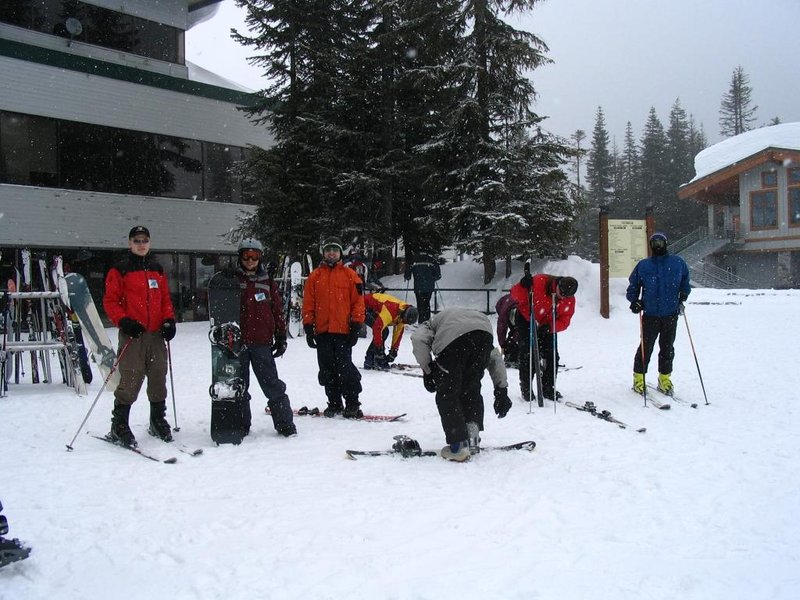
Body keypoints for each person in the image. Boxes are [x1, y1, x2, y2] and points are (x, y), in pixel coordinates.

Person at [103, 226, 176, 447]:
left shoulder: (157, 270)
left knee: (158, 374)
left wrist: (168, 320)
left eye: (144, 240)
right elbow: (110, 301)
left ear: (149, 243)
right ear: (130, 243)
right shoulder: (120, 270)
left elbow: (164, 299)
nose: (141, 244)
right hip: (133, 336)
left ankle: (157, 419)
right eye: (137, 241)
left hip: (155, 335)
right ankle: (119, 424)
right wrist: (123, 321)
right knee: (131, 377)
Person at [411, 307, 512, 462]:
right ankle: (472, 438)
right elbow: (495, 357)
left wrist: (428, 370)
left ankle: (458, 446)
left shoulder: (430, 323)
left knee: (448, 394)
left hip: (453, 342)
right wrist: (501, 390)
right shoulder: (471, 318)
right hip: (483, 335)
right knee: (471, 389)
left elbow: (418, 339)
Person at [235, 238, 297, 437]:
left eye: (255, 256)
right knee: (239, 385)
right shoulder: (233, 280)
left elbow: (277, 309)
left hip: (261, 342)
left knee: (272, 384)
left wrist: (281, 335)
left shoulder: (267, 280)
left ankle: (285, 423)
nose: (251, 260)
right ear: (240, 257)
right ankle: (240, 424)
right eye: (247, 255)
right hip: (238, 342)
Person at [302, 237, 366, 418]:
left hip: (343, 333)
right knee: (327, 369)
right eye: (328, 249)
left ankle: (352, 403)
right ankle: (334, 402)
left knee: (345, 369)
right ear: (323, 253)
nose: (332, 253)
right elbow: (308, 304)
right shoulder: (315, 277)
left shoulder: (350, 276)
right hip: (323, 333)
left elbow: (358, 303)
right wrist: (308, 326)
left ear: (340, 253)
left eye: (335, 250)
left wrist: (356, 325)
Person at [627, 232, 691, 396]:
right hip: (650, 314)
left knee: (667, 347)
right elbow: (633, 285)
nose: (657, 246)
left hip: (670, 313)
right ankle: (639, 379)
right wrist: (634, 301)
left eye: (660, 242)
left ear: (666, 243)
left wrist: (683, 295)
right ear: (650, 245)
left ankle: (664, 378)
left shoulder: (677, 263)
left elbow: (685, 280)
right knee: (646, 347)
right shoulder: (644, 265)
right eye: (654, 243)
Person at [510, 273, 578, 402]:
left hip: (548, 324)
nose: (561, 297)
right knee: (528, 355)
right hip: (526, 319)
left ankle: (548, 388)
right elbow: (514, 294)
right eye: (560, 293)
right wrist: (522, 285)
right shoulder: (539, 282)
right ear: (558, 285)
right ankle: (526, 388)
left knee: (552, 356)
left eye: (565, 296)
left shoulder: (569, 299)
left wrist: (551, 327)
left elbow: (565, 321)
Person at [362, 292, 418, 370]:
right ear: (404, 315)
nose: (403, 322)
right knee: (384, 332)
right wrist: (379, 349)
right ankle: (370, 360)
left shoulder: (403, 313)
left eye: (406, 322)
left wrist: (394, 350)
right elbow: (377, 328)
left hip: (375, 309)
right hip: (364, 306)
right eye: (404, 321)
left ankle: (372, 359)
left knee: (384, 332)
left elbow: (398, 333)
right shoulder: (391, 310)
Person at [404, 252, 441, 322]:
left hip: (418, 287)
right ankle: (427, 320)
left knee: (420, 304)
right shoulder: (432, 260)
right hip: (429, 287)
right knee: (427, 303)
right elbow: (438, 275)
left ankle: (421, 321)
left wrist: (408, 276)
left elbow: (407, 275)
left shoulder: (414, 260)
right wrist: (432, 278)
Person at [495, 293, 519, 367]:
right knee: (516, 333)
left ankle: (513, 356)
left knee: (518, 333)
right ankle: (513, 356)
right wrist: (503, 344)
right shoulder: (504, 310)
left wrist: (503, 344)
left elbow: (501, 328)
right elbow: (502, 328)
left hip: (518, 310)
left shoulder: (505, 308)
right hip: (515, 308)